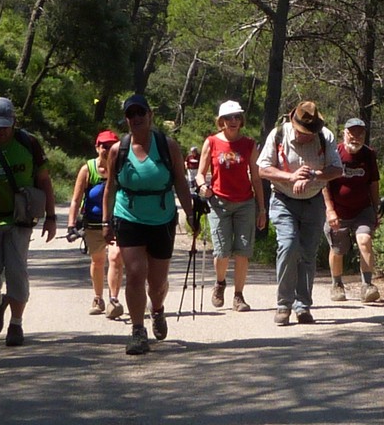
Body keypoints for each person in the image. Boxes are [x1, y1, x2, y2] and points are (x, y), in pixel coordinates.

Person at [111, 93, 199, 355]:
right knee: (135, 273)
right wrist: (105, 221)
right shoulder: (118, 150)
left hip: (162, 218)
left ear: (150, 115)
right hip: (128, 216)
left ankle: (157, 309)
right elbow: (110, 188)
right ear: (126, 119)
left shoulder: (167, 145)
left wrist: (190, 215)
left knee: (157, 283)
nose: (136, 117)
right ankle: (138, 331)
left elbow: (180, 182)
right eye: (131, 114)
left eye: (141, 112)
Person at [0, 96, 58, 348]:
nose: (2, 131)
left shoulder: (28, 144)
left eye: (5, 126)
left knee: (17, 273)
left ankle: (16, 324)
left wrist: (51, 217)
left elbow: (44, 181)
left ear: (14, 122)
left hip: (20, 220)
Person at [257, 99, 338, 327]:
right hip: (283, 200)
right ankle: (284, 304)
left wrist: (314, 175)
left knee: (308, 253)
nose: (306, 136)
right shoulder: (278, 135)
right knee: (289, 245)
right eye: (303, 132)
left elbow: (337, 169)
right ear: (294, 124)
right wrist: (291, 177)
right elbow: (263, 169)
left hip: (314, 201)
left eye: (310, 133)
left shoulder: (325, 137)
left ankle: (303, 306)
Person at [197, 100, 261, 310]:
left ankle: (238, 296)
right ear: (221, 121)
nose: (233, 121)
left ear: (241, 120)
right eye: (228, 118)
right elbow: (200, 174)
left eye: (236, 117)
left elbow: (256, 177)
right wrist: (202, 186)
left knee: (243, 251)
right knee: (222, 251)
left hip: (245, 203)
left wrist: (262, 208)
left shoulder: (249, 144)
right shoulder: (211, 142)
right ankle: (220, 282)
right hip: (219, 203)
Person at [324, 116, 382, 303]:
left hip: (362, 210)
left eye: (360, 134)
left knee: (365, 240)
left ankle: (367, 286)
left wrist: (375, 210)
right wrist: (330, 210)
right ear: (344, 134)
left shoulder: (369, 154)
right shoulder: (335, 153)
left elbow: (373, 183)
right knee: (338, 249)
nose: (355, 137)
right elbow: (325, 184)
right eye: (352, 133)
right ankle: (337, 285)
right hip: (338, 211)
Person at [67, 129, 121, 315]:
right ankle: (98, 298)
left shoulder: (121, 168)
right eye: (104, 146)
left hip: (116, 223)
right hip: (93, 223)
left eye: (112, 146)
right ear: (97, 147)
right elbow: (76, 199)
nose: (107, 150)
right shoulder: (87, 169)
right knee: (98, 261)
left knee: (115, 257)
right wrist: (71, 225)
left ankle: (114, 300)